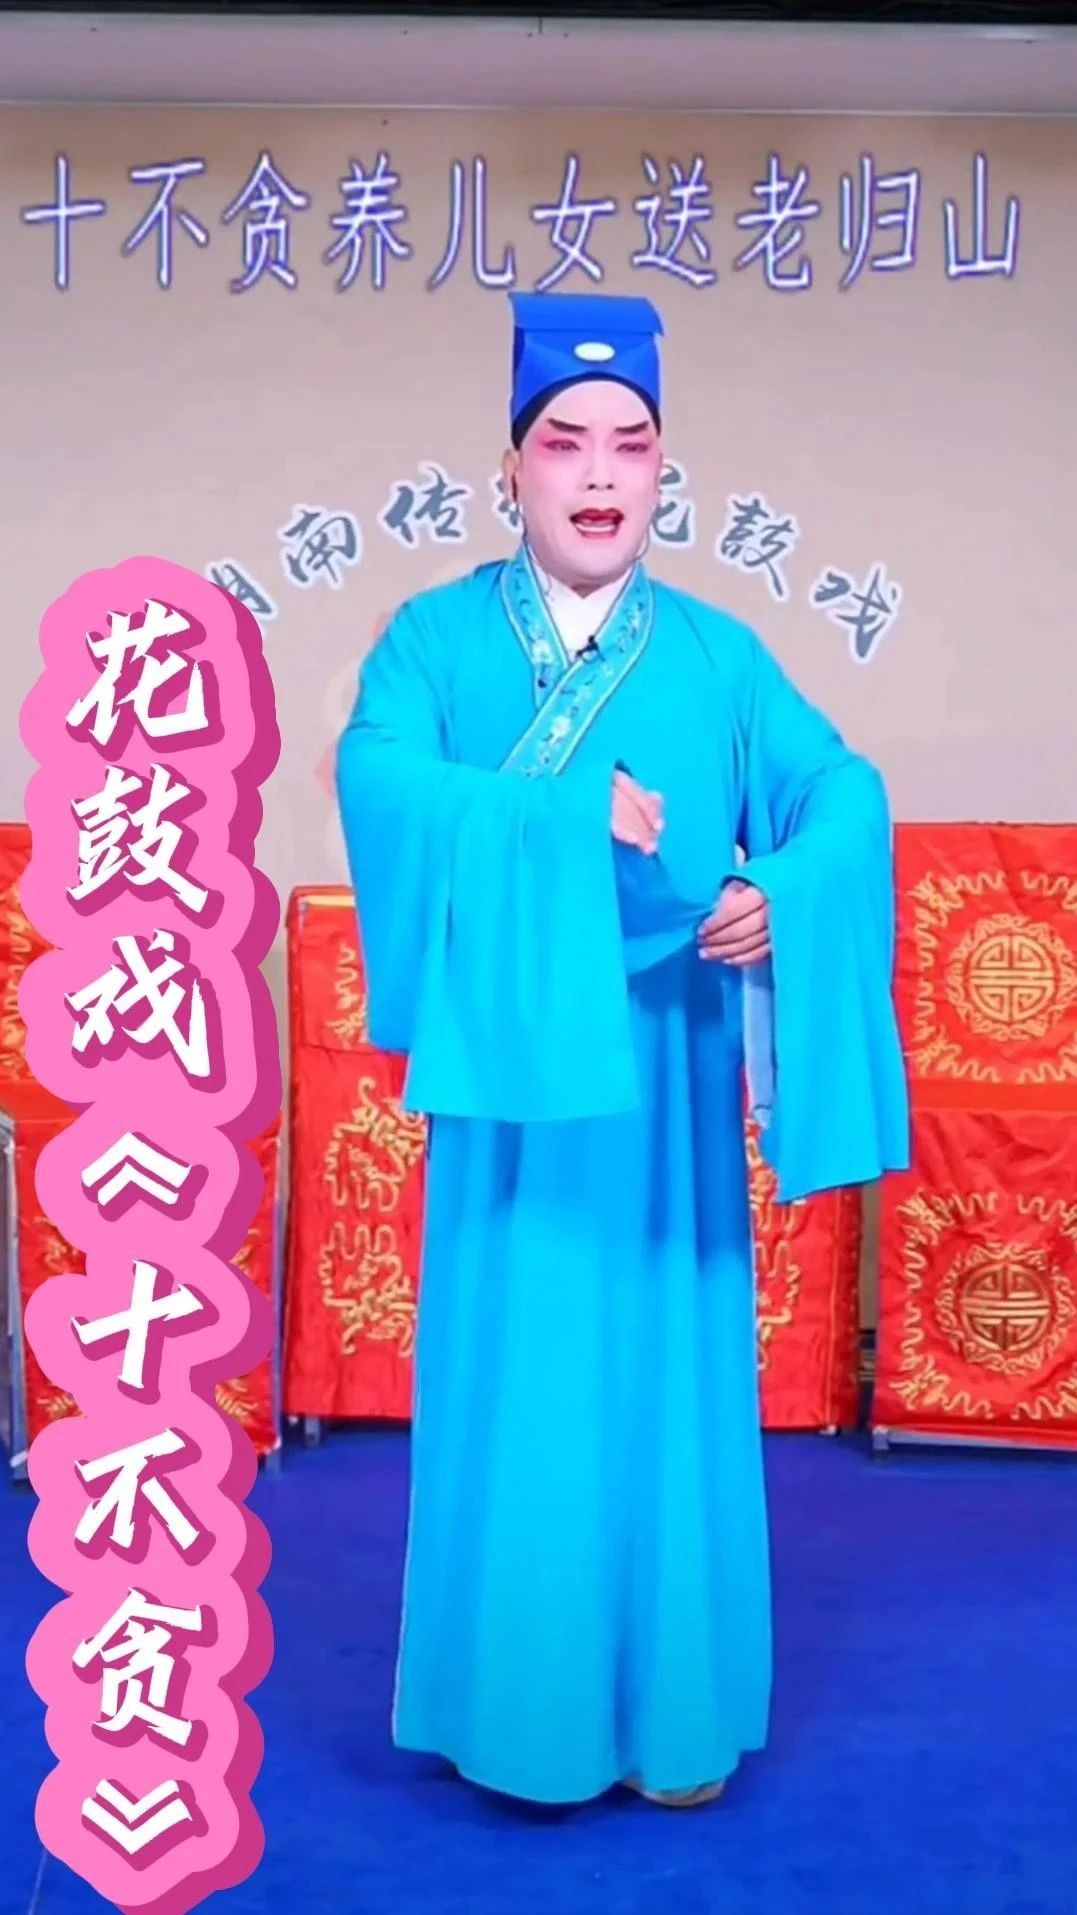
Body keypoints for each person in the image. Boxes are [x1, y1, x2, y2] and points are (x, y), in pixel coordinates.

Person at [335, 289, 909, 1810]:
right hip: (513, 1091)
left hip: (662, 1075)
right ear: (509, 468)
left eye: (631, 444)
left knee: (663, 1394)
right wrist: (552, 816)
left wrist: (785, 890)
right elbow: (377, 777)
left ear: (663, 470)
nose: (599, 473)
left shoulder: (719, 656)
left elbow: (841, 791)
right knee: (515, 1395)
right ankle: (513, 1718)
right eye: (564, 441)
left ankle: (671, 1719)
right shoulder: (434, 641)